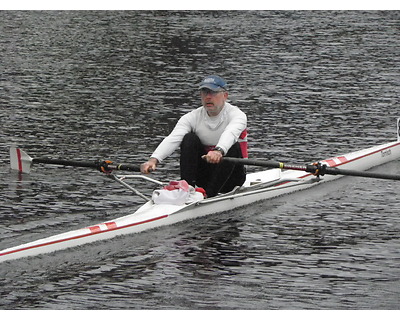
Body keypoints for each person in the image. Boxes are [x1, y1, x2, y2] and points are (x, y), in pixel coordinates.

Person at [140, 75, 247, 197]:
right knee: (189, 139)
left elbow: (231, 133)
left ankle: (209, 195)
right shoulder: (192, 117)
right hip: (205, 176)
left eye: (213, 93)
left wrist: (219, 151)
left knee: (233, 146)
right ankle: (187, 189)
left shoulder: (238, 115)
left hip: (232, 179)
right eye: (204, 92)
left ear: (225, 96)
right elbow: (173, 138)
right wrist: (153, 160)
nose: (208, 97)